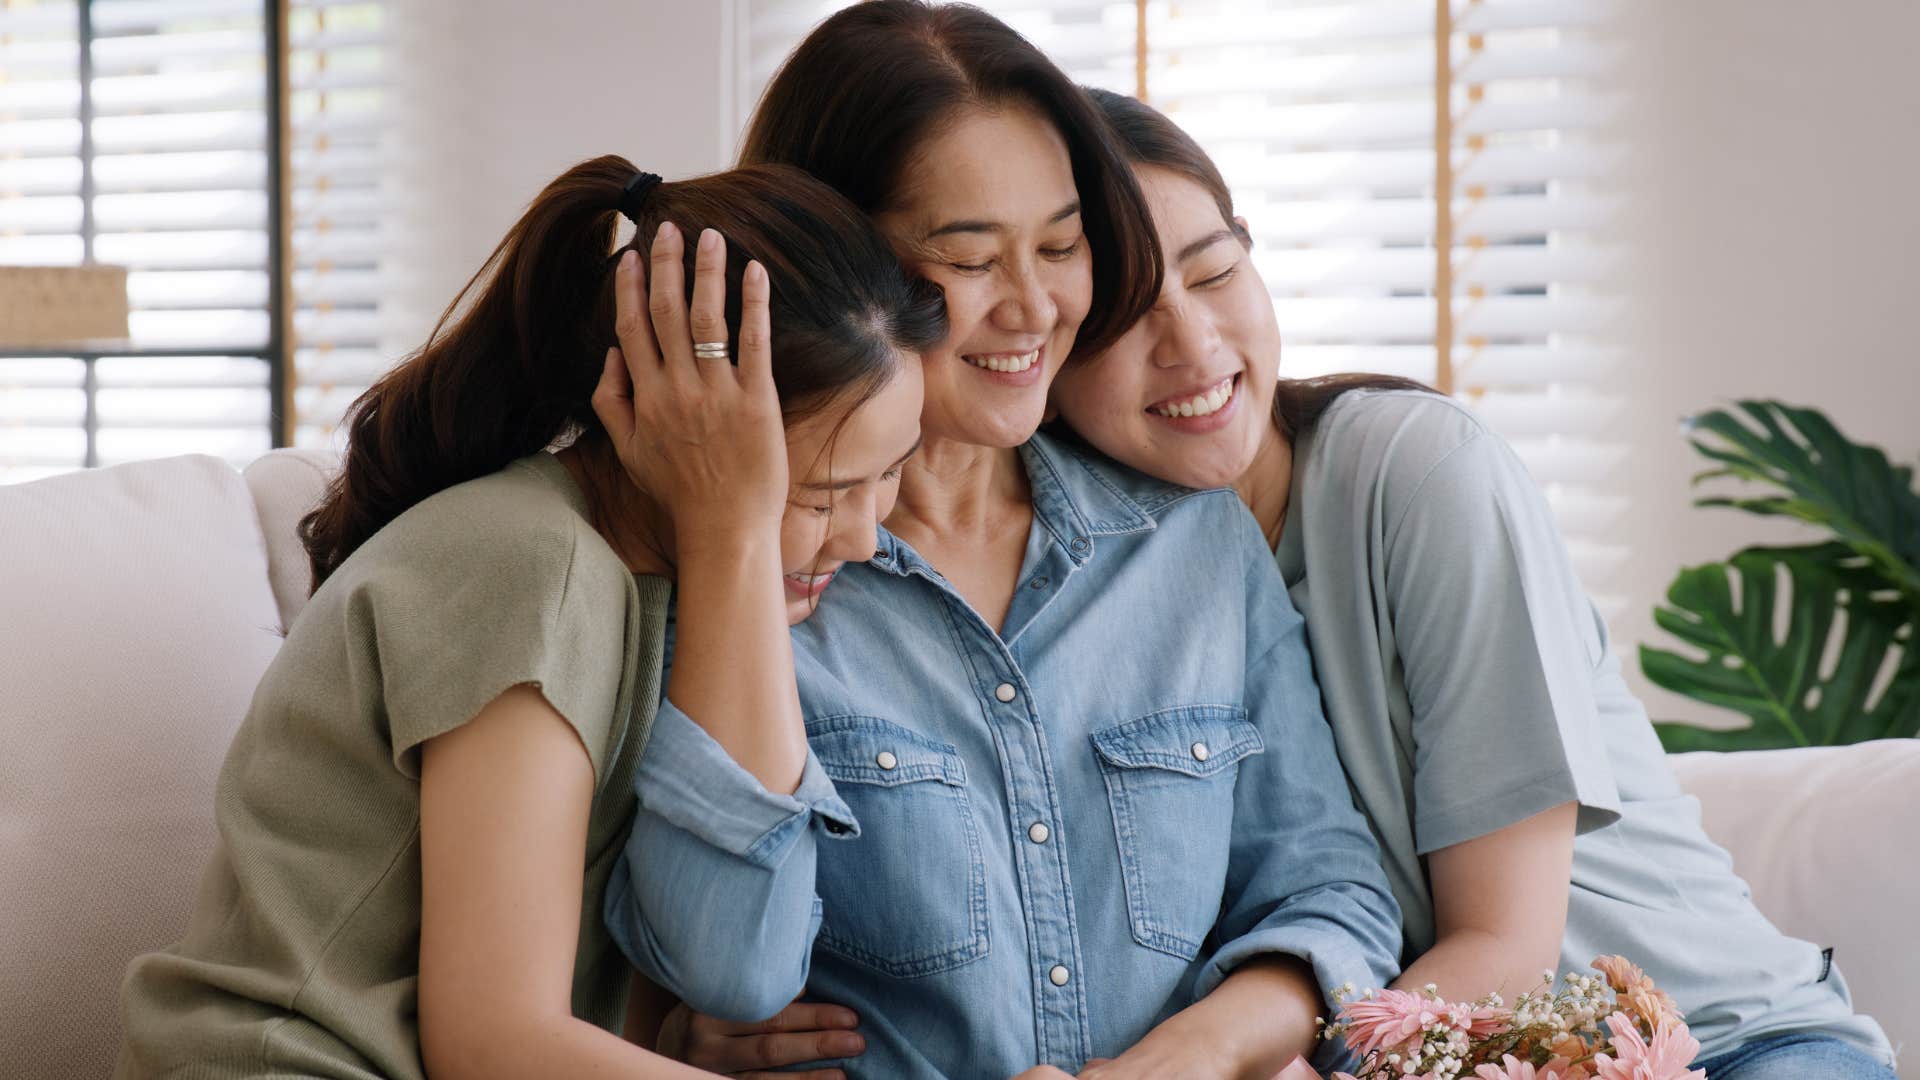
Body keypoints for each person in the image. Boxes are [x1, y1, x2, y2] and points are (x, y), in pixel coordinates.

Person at [605, 5, 1402, 1079]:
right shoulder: (734, 565)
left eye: (1063, 245)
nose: (1034, 307)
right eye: (970, 259)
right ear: (843, 262)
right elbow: (726, 969)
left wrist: (1178, 1064)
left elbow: (1331, 895)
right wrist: (734, 548)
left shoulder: (1189, 542)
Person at [1045, 90, 1896, 1079]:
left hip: (1728, 1042)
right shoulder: (1093, 589)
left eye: (1214, 273)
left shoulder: (1416, 472)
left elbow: (1507, 948)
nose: (1192, 344)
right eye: (1120, 320)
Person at [113, 155, 943, 1079]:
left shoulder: (660, 589)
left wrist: (649, 1034)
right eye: (826, 494)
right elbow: (493, 1043)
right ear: (675, 417)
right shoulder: (533, 567)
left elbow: (730, 969)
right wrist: (740, 529)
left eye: (893, 471)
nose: (868, 538)